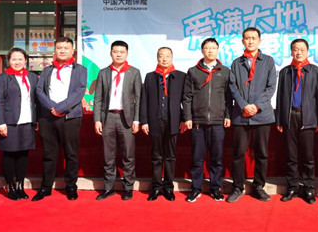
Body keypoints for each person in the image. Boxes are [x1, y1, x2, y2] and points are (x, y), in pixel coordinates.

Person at [33, 37, 87, 201]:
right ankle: (46, 187)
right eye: (59, 48)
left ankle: (71, 187)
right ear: (55, 50)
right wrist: (52, 107)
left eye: (66, 48)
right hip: (48, 117)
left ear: (72, 51)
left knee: (71, 153)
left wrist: (61, 108)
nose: (62, 50)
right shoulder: (47, 70)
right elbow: (39, 91)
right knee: (49, 153)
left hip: (70, 117)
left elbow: (79, 91)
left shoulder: (80, 70)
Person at [226, 27, 277, 203]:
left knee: (261, 154)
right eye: (247, 38)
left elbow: (271, 86)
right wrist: (244, 105)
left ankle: (258, 187)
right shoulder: (236, 63)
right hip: (241, 115)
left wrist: (256, 106)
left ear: (259, 41)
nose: (250, 41)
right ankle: (237, 187)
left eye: (253, 38)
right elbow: (232, 87)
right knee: (238, 153)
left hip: (262, 114)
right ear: (242, 41)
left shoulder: (268, 61)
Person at [182, 38, 232, 202]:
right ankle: (195, 188)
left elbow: (228, 97)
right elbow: (187, 97)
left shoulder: (225, 71)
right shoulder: (193, 71)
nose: (210, 51)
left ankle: (215, 188)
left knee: (216, 159)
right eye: (207, 48)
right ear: (202, 50)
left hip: (218, 122)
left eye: (213, 48)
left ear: (218, 50)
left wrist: (227, 115)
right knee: (197, 158)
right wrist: (188, 117)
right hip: (198, 122)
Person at [93, 40, 142, 201]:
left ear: (127, 53)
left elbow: (139, 98)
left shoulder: (134, 72)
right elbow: (98, 98)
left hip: (126, 119)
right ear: (111, 53)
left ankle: (128, 188)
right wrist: (97, 119)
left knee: (128, 155)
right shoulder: (103, 73)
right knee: (108, 156)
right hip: (107, 118)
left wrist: (137, 119)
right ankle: (109, 188)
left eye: (122, 52)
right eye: (115, 51)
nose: (118, 54)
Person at [275, 38, 318, 204]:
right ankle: (292, 187)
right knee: (291, 155)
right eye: (295, 49)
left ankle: (308, 188)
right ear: (291, 52)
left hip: (308, 117)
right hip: (289, 117)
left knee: (308, 156)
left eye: (302, 49)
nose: (299, 52)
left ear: (307, 51)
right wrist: (279, 119)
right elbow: (280, 96)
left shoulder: (315, 71)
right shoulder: (285, 72)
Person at [140, 47, 186, 201]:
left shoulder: (180, 76)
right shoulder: (150, 77)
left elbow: (186, 100)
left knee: (170, 156)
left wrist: (185, 119)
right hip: (155, 121)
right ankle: (156, 187)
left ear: (172, 58)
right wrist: (144, 121)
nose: (164, 59)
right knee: (156, 156)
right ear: (157, 58)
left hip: (173, 121)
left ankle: (168, 187)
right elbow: (144, 100)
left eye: (167, 56)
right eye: (161, 56)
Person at [0, 47, 39, 200]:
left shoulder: (32, 77)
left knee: (23, 154)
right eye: (14, 59)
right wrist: (1, 123)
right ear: (9, 61)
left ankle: (20, 185)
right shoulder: (2, 78)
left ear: (25, 60)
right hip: (10, 122)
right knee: (9, 154)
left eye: (20, 59)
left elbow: (36, 100)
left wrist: (37, 119)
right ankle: (10, 186)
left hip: (28, 120)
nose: (17, 62)